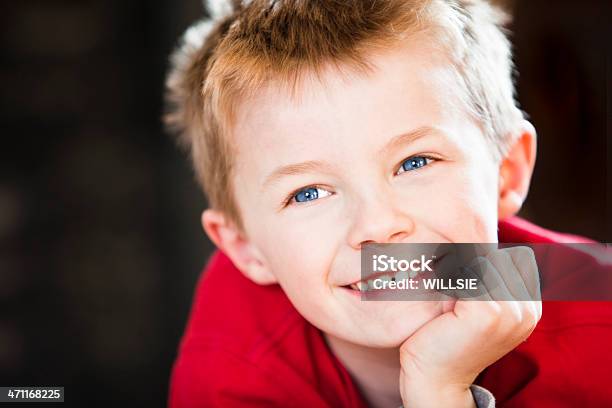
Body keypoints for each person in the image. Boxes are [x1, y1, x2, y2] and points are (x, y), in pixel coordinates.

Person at [164, 0, 612, 406]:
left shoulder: (598, 322)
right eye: (307, 193)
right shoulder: (230, 369)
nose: (376, 226)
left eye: (415, 162)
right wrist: (438, 390)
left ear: (506, 173)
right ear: (246, 248)